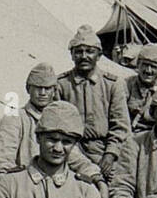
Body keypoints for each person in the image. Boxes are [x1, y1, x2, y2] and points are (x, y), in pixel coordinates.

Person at [0, 63, 102, 184]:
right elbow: (2, 160)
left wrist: (94, 175)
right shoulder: (14, 118)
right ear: (28, 89)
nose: (42, 93)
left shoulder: (61, 118)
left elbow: (75, 157)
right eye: (38, 87)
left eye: (47, 88)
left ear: (54, 90)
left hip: (57, 184)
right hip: (24, 183)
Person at [56, 25, 132, 186]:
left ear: (99, 55)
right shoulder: (62, 84)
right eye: (79, 51)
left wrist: (110, 154)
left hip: (103, 150)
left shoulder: (113, 84)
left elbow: (121, 126)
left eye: (89, 51)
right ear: (72, 55)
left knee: (117, 187)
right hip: (71, 150)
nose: (84, 56)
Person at [125, 43, 157, 130]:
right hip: (130, 132)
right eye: (145, 65)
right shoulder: (127, 84)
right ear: (138, 65)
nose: (148, 71)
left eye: (153, 67)